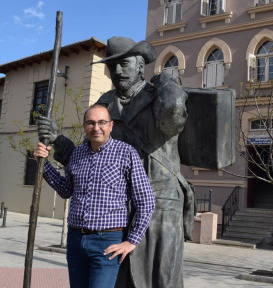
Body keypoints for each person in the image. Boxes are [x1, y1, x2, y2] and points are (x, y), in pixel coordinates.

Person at [38, 36, 194, 288]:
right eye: (113, 65)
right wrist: (57, 139)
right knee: (120, 281)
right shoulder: (104, 104)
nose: (118, 70)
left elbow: (173, 116)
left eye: (125, 63)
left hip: (160, 203)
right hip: (119, 210)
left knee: (160, 279)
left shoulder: (160, 96)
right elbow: (86, 158)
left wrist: (167, 79)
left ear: (141, 66)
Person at [34, 104, 155, 288]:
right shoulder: (77, 154)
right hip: (75, 240)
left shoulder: (126, 153)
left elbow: (146, 201)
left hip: (107, 243)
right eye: (90, 123)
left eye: (102, 122)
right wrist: (43, 164)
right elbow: (66, 190)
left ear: (111, 126)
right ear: (84, 126)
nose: (96, 128)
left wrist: (132, 241)